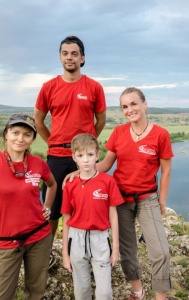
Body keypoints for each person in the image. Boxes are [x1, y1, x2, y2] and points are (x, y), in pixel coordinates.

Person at [66, 87, 173, 300]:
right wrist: (77, 173)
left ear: (144, 104)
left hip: (147, 198)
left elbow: (166, 170)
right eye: (125, 106)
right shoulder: (119, 133)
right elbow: (105, 163)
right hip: (120, 198)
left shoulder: (160, 134)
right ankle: (137, 290)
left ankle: (161, 297)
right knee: (127, 249)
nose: (129, 109)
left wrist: (161, 201)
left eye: (133, 104)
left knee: (160, 252)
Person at [34, 35, 106, 268]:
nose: (69, 57)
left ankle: (90, 253)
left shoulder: (94, 87)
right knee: (53, 210)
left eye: (74, 53)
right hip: (56, 157)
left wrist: (85, 146)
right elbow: (38, 120)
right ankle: (47, 254)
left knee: (88, 205)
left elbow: (101, 120)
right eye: (65, 53)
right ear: (60, 57)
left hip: (83, 159)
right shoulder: (49, 87)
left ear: (82, 58)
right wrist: (54, 142)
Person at [0, 113, 56, 300]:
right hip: (6, 241)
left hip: (39, 236)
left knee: (36, 292)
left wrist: (47, 206)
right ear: (6, 134)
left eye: (26, 134)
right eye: (15, 132)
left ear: (32, 139)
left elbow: (52, 185)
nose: (20, 138)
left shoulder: (38, 163)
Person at [61, 133, 123, 299]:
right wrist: (65, 254)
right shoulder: (70, 184)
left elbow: (113, 215)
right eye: (80, 155)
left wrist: (115, 248)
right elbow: (66, 219)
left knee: (104, 293)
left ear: (97, 155)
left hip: (100, 239)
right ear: (74, 157)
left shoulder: (107, 182)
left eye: (90, 155)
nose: (86, 160)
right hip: (76, 238)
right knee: (81, 291)